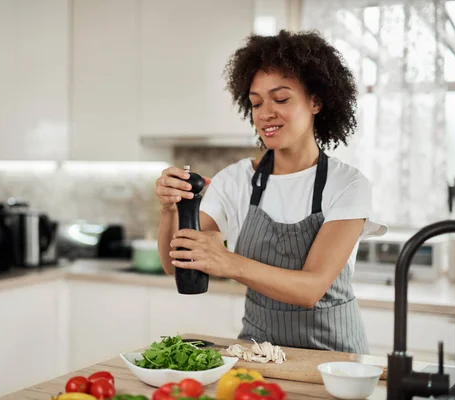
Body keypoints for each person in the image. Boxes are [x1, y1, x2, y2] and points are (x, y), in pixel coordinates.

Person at [154, 30, 387, 354]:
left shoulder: (346, 184)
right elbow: (172, 263)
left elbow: (311, 288)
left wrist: (226, 261)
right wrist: (169, 210)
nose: (265, 114)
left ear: (316, 101)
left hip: (333, 363)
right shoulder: (236, 180)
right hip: (257, 355)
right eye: (256, 103)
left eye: (281, 99)